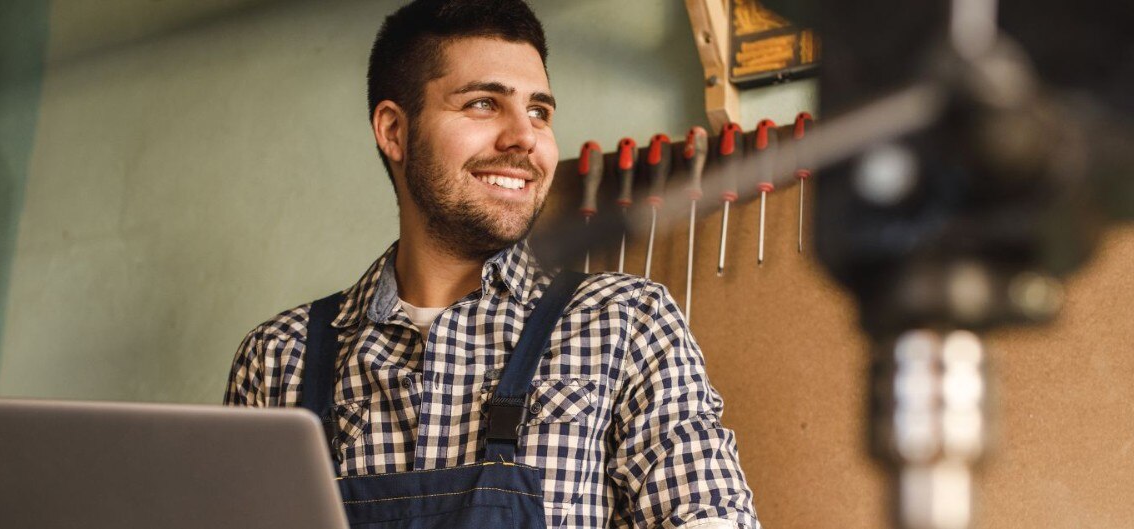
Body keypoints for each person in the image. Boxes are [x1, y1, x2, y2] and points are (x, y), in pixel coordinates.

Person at [224, 1, 760, 527]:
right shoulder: (277, 359)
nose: (525, 137)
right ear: (393, 131)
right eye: (483, 103)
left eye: (539, 111)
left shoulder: (625, 321)